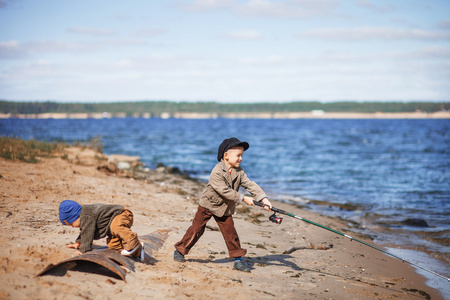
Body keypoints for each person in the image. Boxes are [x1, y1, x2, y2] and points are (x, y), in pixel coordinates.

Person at [174, 137, 272, 272]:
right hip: (208, 205)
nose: (241, 158)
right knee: (196, 229)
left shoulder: (239, 172)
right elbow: (223, 190)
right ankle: (180, 250)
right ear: (226, 156)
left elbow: (249, 184)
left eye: (242, 155)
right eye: (238, 155)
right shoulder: (217, 171)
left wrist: (263, 198)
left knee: (231, 233)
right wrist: (243, 198)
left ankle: (238, 260)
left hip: (225, 208)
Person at [58, 200, 145, 262]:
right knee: (113, 245)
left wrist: (83, 250)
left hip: (121, 214)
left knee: (116, 227)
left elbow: (87, 233)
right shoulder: (84, 218)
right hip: (111, 225)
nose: (72, 227)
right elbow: (84, 232)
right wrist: (78, 243)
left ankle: (133, 243)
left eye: (71, 223)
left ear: (75, 216)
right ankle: (139, 250)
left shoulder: (86, 216)